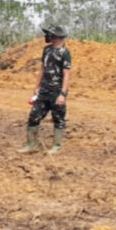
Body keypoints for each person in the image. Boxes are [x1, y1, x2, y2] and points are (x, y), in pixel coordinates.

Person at [21, 25, 71, 155]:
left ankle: (56, 146)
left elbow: (66, 74)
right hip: (44, 90)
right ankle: (31, 145)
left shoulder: (65, 53)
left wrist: (62, 94)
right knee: (34, 116)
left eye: (50, 34)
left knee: (58, 118)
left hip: (57, 91)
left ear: (58, 37)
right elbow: (42, 69)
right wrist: (36, 88)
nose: (48, 37)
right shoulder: (47, 50)